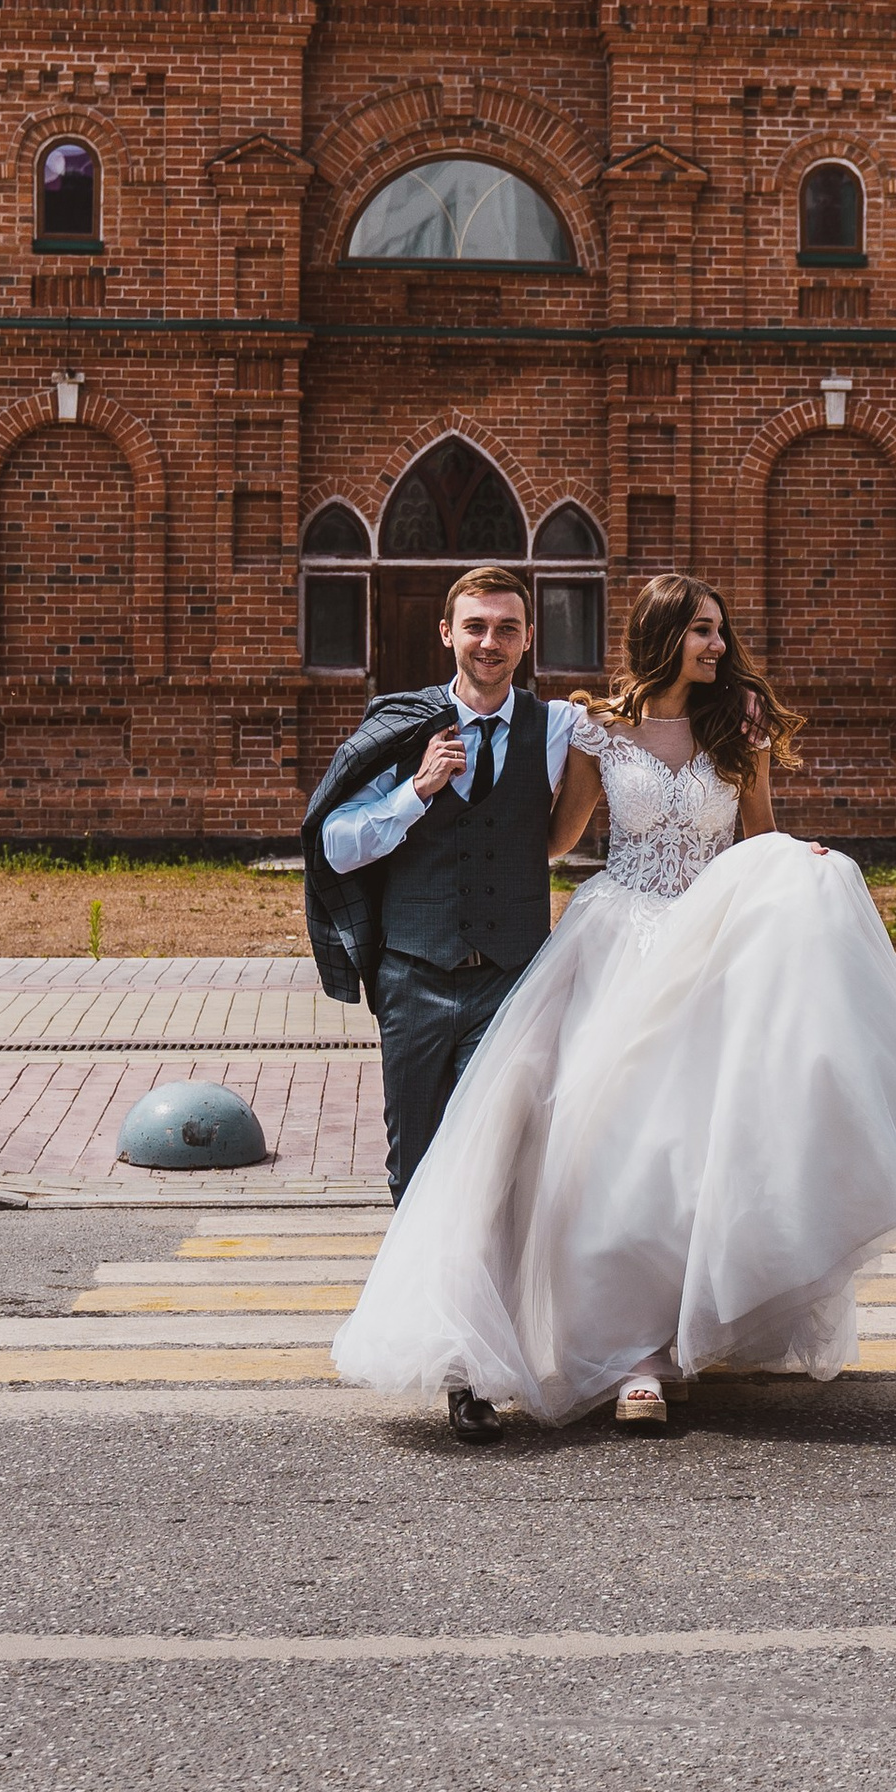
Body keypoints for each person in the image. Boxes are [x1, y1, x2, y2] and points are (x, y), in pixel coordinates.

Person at [334, 570, 896, 1440]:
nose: (717, 645)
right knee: (613, 1149)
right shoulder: (600, 729)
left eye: (720, 631)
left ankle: (682, 1335)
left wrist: (803, 860)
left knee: (704, 1146)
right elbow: (559, 838)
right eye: (703, 631)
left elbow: (760, 837)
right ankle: (628, 1352)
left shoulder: (736, 730)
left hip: (710, 947)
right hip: (617, 940)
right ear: (666, 634)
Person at [302, 567, 590, 1431]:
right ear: (446, 635)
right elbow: (337, 843)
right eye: (475, 627)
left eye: (506, 628)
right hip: (415, 980)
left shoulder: (555, 728)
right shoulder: (403, 724)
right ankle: (433, 1328)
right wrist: (413, 790)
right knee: (416, 1164)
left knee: (490, 1172)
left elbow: (651, 733)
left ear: (527, 639)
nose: (490, 642)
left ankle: (468, 1370)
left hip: (508, 982)